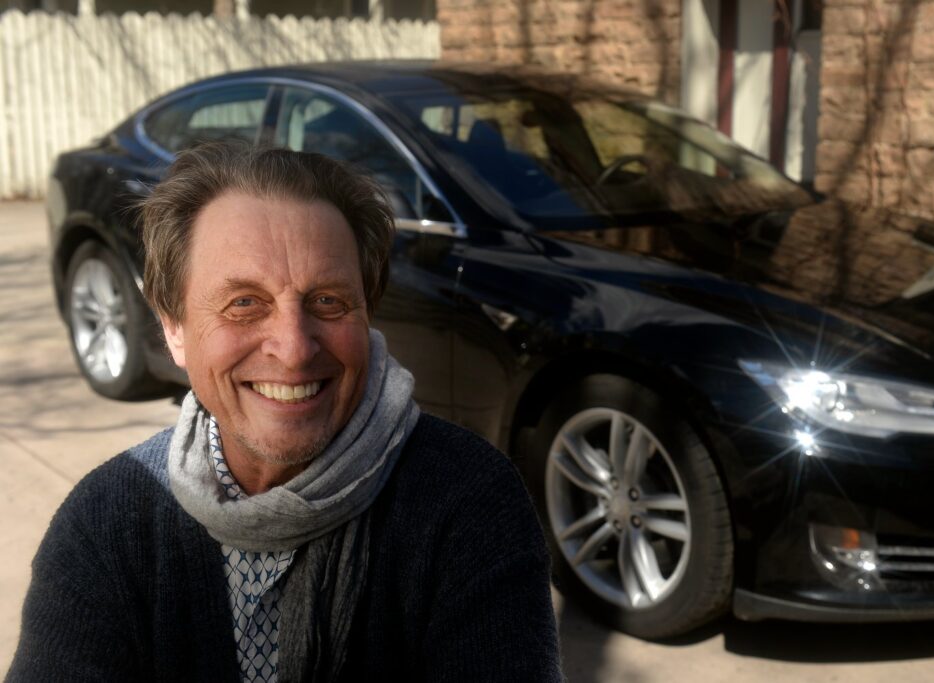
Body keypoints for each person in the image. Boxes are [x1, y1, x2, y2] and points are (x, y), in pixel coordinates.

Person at [8, 143, 563, 682]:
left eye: (328, 302)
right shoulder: (107, 525)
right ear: (173, 328)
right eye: (244, 303)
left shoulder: (467, 503)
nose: (295, 348)